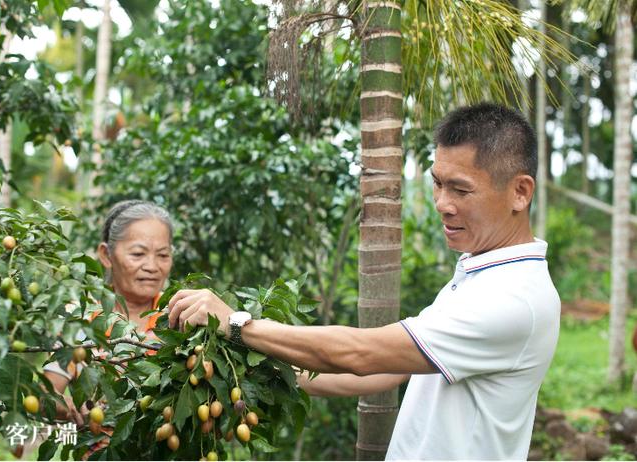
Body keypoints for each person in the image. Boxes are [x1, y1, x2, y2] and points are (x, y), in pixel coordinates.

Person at [167, 103, 561, 460]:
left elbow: (362, 353)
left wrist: (236, 323)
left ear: (520, 192)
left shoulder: (511, 300)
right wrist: (264, 371)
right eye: (438, 183)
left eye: (461, 189)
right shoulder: (483, 273)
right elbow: (389, 370)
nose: (442, 202)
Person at [43, 200, 173, 426]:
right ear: (106, 255)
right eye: (138, 254)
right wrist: (63, 407)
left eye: (163, 255)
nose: (152, 266)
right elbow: (47, 396)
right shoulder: (80, 316)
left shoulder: (180, 314)